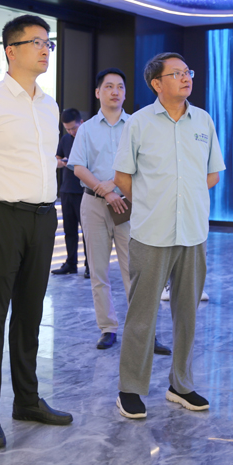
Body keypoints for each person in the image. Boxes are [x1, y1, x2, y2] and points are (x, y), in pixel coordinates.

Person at [0, 14, 73, 449]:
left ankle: (27, 400)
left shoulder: (49, 105)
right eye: (36, 42)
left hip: (43, 218)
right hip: (0, 217)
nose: (44, 49)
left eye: (48, 43)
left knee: (30, 314)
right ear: (11, 51)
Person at [113, 53, 225, 419]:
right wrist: (154, 201)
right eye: (176, 73)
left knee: (187, 314)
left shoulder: (203, 120)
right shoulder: (139, 122)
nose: (186, 77)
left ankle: (181, 384)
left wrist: (185, 195)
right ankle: (130, 389)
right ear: (157, 83)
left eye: (187, 71)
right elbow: (122, 177)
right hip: (151, 232)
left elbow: (212, 174)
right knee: (142, 315)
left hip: (193, 231)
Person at [67, 68, 170, 355]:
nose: (115, 91)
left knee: (136, 272)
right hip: (93, 205)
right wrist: (105, 191)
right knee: (98, 271)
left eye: (120, 87)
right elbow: (78, 167)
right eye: (109, 86)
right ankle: (107, 328)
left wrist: (114, 187)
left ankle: (145, 333)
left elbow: (145, 164)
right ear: (98, 92)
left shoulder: (137, 125)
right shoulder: (86, 129)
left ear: (125, 93)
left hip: (129, 203)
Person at [51, 108, 89, 278]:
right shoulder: (66, 139)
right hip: (67, 189)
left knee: (88, 231)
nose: (72, 132)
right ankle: (71, 263)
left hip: (84, 190)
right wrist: (62, 162)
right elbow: (58, 157)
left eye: (74, 128)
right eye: (68, 129)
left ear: (81, 122)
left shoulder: (88, 137)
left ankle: (90, 265)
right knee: (69, 230)